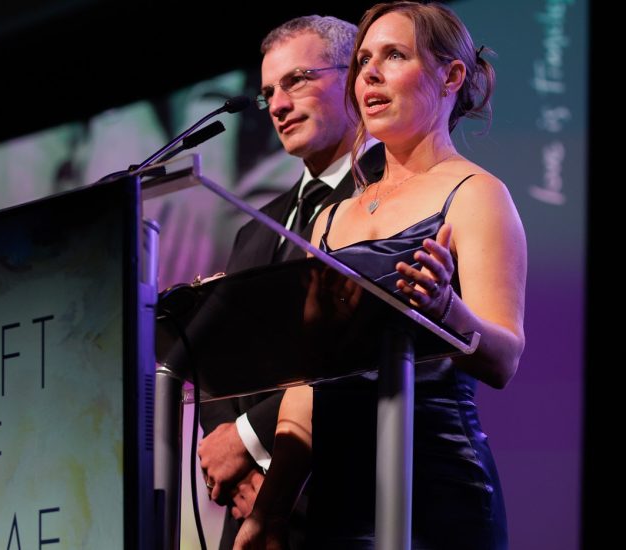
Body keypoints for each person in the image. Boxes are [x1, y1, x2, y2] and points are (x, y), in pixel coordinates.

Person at [235, 2, 526, 549]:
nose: (368, 73)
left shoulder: (475, 194)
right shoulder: (331, 217)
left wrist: (446, 311)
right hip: (337, 505)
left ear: (450, 76)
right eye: (363, 59)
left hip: (436, 493)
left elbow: (504, 359)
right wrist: (270, 511)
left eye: (394, 56)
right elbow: (307, 384)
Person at [197, 14, 386, 550]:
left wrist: (248, 440)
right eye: (267, 93)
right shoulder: (254, 228)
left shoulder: (389, 200)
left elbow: (356, 354)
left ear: (353, 78)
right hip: (251, 516)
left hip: (351, 505)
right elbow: (217, 357)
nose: (277, 105)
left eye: (296, 81)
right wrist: (232, 459)